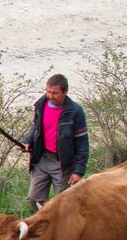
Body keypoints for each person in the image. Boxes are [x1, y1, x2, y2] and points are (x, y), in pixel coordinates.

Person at [21, 73, 89, 210]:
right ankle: (46, 223)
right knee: (34, 199)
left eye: (55, 93)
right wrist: (27, 141)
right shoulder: (41, 106)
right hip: (42, 159)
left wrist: (79, 172)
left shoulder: (75, 111)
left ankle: (60, 228)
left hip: (63, 164)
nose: (50, 96)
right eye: (48, 92)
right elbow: (36, 127)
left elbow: (83, 143)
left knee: (62, 203)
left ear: (65, 92)